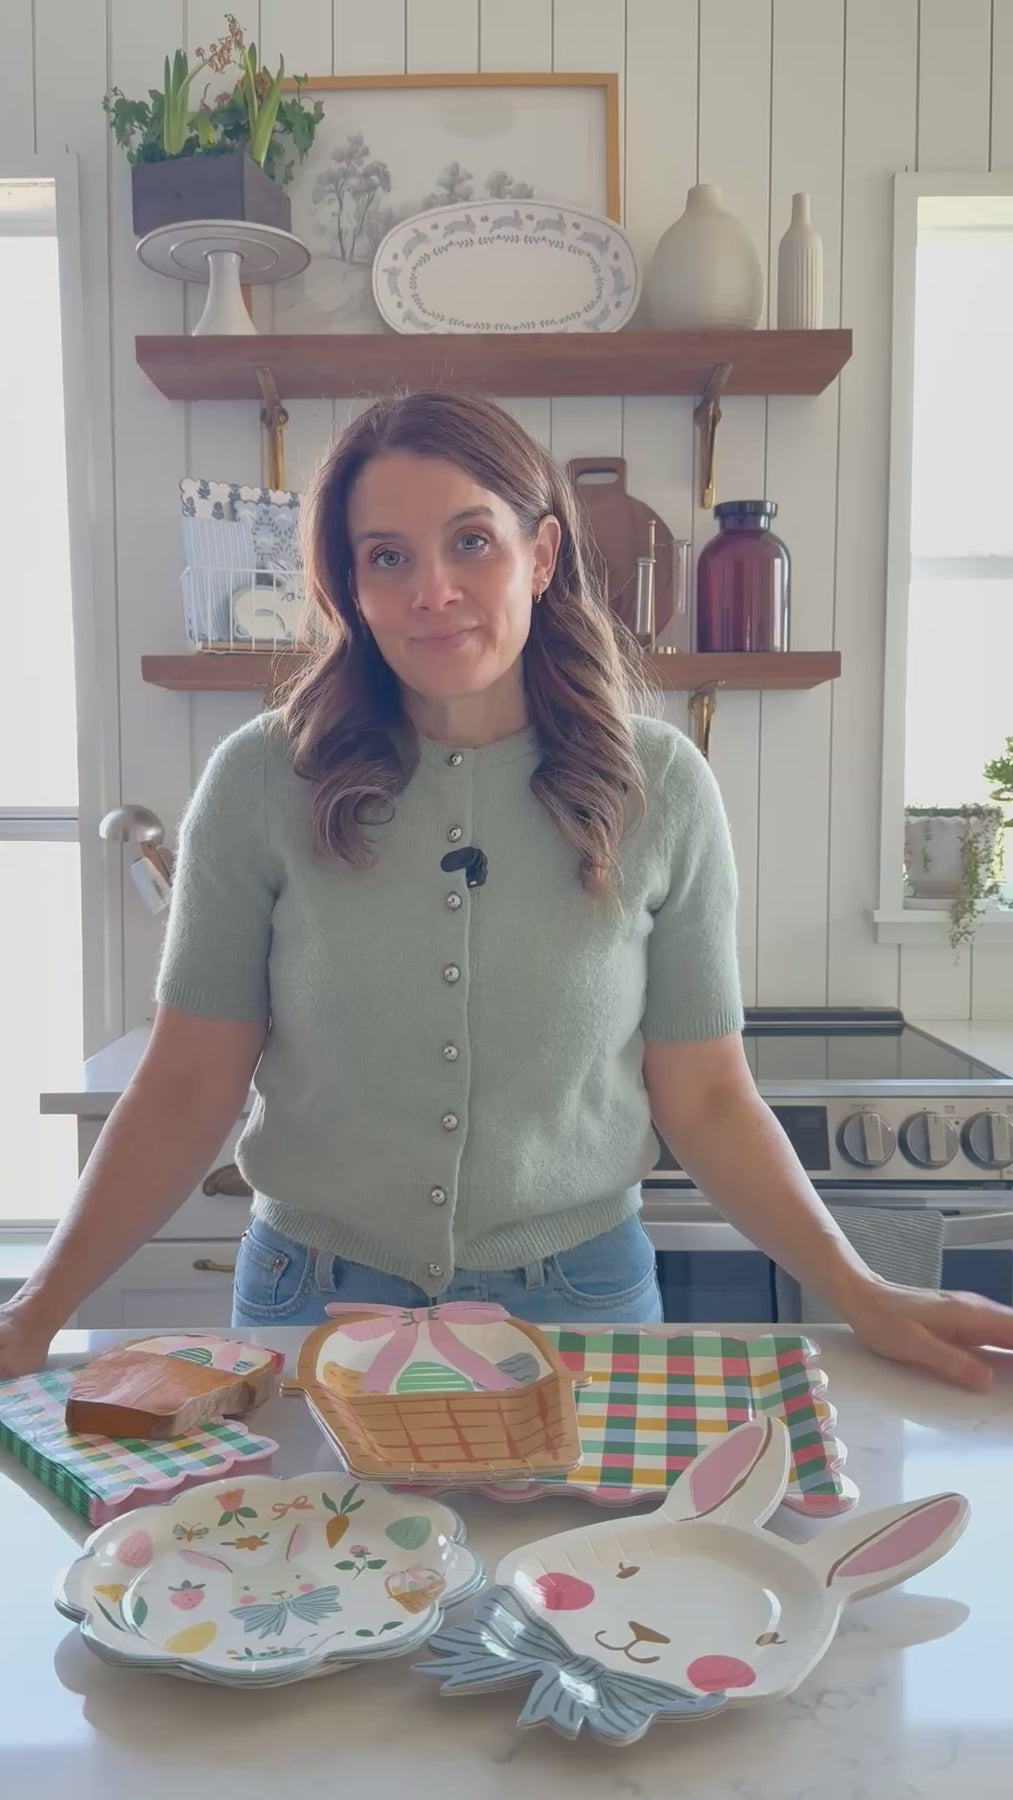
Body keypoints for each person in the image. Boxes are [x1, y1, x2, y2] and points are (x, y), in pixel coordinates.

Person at [2, 390, 1012, 1389]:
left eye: (470, 541)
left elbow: (706, 1094)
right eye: (386, 556)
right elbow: (186, 1085)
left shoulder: (658, 786)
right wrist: (35, 1312)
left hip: (581, 1307)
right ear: (350, 587)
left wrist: (858, 1290)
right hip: (313, 1307)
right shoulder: (263, 779)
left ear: (540, 552)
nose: (431, 590)